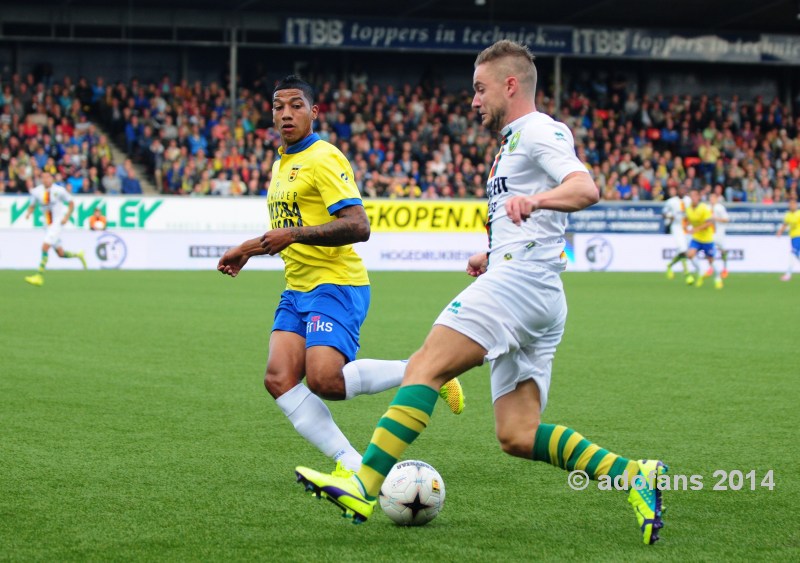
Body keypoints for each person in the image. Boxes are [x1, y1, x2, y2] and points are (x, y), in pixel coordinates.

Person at [295, 41, 667, 546]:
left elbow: (586, 188)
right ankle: (634, 474)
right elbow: (535, 216)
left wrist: (535, 199)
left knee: (426, 364)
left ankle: (364, 485)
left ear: (510, 85)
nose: (472, 100)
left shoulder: (538, 130)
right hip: (534, 288)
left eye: (479, 88)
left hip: (520, 284)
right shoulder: (512, 143)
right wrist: (490, 253)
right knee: (518, 434)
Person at [217, 75, 463, 474]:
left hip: (336, 283)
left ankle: (425, 369)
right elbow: (288, 228)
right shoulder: (283, 162)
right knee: (279, 378)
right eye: (279, 106)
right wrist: (246, 250)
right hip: (298, 288)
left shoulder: (323, 157)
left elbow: (358, 225)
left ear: (314, 112)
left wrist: (292, 234)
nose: (286, 113)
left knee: (326, 381)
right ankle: (351, 464)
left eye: (296, 105)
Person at [24, 172, 87, 286]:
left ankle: (39, 276)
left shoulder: (59, 190)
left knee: (44, 247)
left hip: (57, 223)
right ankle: (78, 255)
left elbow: (71, 203)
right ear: (41, 179)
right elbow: (32, 205)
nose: (46, 179)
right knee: (60, 253)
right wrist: (28, 213)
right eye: (43, 178)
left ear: (52, 179)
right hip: (47, 225)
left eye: (48, 177)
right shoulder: (37, 191)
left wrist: (67, 217)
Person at [684, 189, 722, 289]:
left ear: (698, 197)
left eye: (695, 196)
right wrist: (686, 226)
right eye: (691, 196)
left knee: (711, 260)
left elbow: (709, 223)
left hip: (707, 238)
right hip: (696, 238)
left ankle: (718, 278)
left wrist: (695, 229)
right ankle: (700, 270)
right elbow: (690, 220)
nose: (693, 198)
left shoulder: (704, 208)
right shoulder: (688, 209)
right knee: (690, 254)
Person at [662, 184, 691, 280]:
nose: (682, 191)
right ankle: (687, 273)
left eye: (684, 189)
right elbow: (664, 214)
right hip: (677, 227)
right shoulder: (671, 202)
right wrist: (670, 216)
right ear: (677, 190)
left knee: (685, 251)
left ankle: (669, 265)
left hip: (687, 227)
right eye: (680, 189)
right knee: (682, 249)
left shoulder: (688, 200)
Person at [776, 198, 800, 281]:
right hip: (793, 237)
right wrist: (780, 231)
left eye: (793, 204)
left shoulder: (799, 214)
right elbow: (785, 224)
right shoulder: (788, 215)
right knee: (796, 255)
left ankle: (788, 275)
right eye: (790, 204)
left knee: (792, 254)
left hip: (798, 237)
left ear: (796, 205)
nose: (791, 206)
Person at [708, 193, 730, 279]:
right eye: (710, 198)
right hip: (711, 233)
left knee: (723, 251)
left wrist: (716, 219)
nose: (711, 200)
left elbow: (726, 219)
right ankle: (711, 267)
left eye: (713, 198)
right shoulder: (708, 208)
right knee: (709, 251)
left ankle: (725, 268)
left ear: (716, 199)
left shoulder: (720, 208)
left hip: (720, 233)